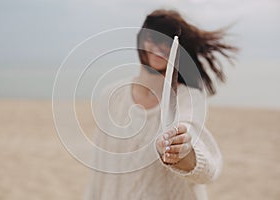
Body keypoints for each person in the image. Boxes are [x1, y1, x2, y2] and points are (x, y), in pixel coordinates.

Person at [84, 9, 238, 200]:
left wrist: (183, 150)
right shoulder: (111, 95)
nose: (158, 47)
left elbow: (207, 168)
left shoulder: (188, 97)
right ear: (140, 40)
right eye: (152, 39)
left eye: (166, 42)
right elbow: (101, 166)